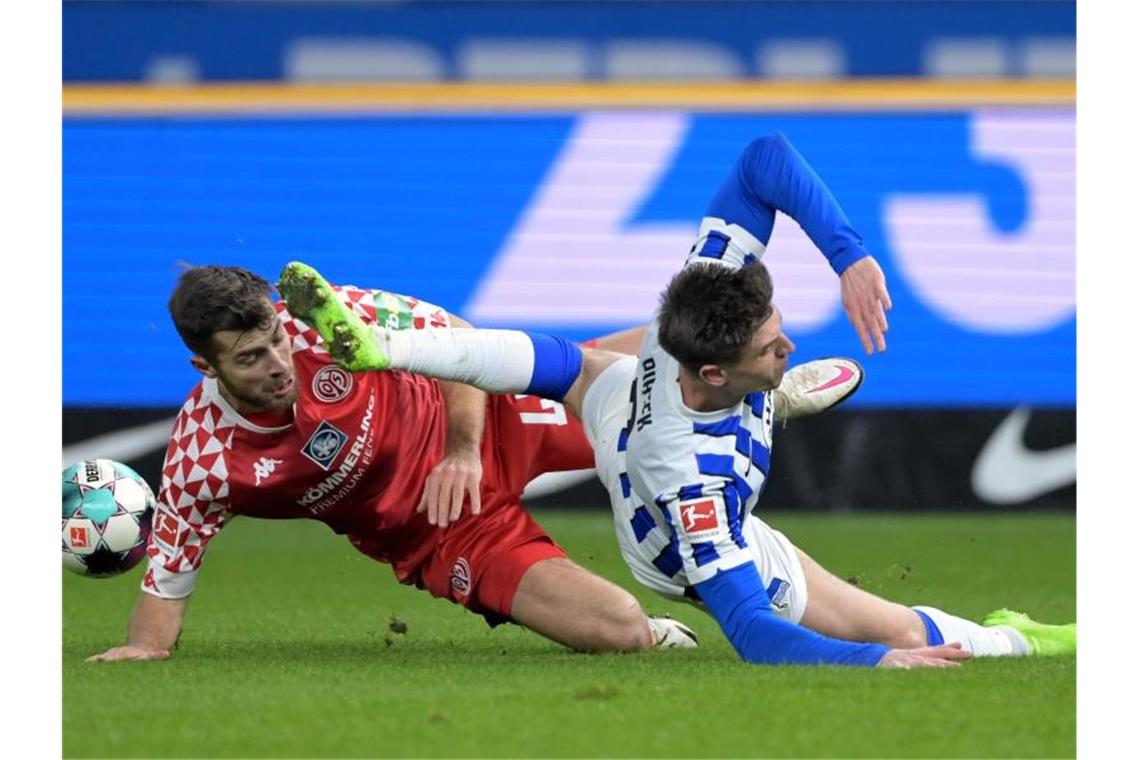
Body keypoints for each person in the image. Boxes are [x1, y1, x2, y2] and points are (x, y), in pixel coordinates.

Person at [278, 132, 1076, 667]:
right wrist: (880, 660)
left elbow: (764, 157)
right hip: (666, 539)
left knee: (566, 363)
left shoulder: (687, 315)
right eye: (771, 349)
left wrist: (849, 256)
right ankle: (1016, 641)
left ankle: (769, 400)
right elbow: (757, 635)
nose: (788, 341)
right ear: (717, 375)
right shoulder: (696, 487)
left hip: (627, 398)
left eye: (777, 331)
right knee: (892, 626)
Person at [87, 265, 702, 663]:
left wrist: (460, 451)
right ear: (206, 369)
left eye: (276, 337)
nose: (279, 361)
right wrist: (143, 648)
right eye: (250, 358)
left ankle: (765, 393)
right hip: (442, 530)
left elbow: (467, 341)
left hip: (487, 420)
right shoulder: (205, 459)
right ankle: (655, 624)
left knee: (687, 362)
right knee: (621, 632)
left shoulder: (326, 317)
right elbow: (169, 573)